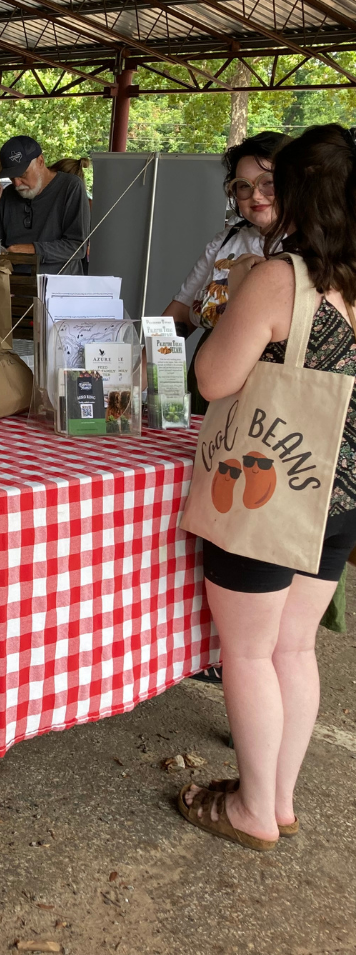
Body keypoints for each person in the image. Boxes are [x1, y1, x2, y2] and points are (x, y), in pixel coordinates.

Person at [179, 124, 356, 852]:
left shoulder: (279, 277)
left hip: (269, 486)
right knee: (296, 650)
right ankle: (276, 798)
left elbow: (215, 379)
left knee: (250, 655)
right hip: (339, 493)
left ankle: (253, 808)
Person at [164, 131, 290, 337]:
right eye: (243, 186)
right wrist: (149, 366)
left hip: (276, 368)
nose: (256, 196)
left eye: (268, 182)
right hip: (211, 362)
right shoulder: (228, 240)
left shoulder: (320, 245)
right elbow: (180, 315)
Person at [0, 136, 89, 274]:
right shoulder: (8, 194)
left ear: (40, 161)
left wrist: (33, 249)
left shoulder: (70, 186)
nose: (17, 183)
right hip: (14, 288)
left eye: (23, 174)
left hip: (58, 289)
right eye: (12, 178)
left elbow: (77, 246)